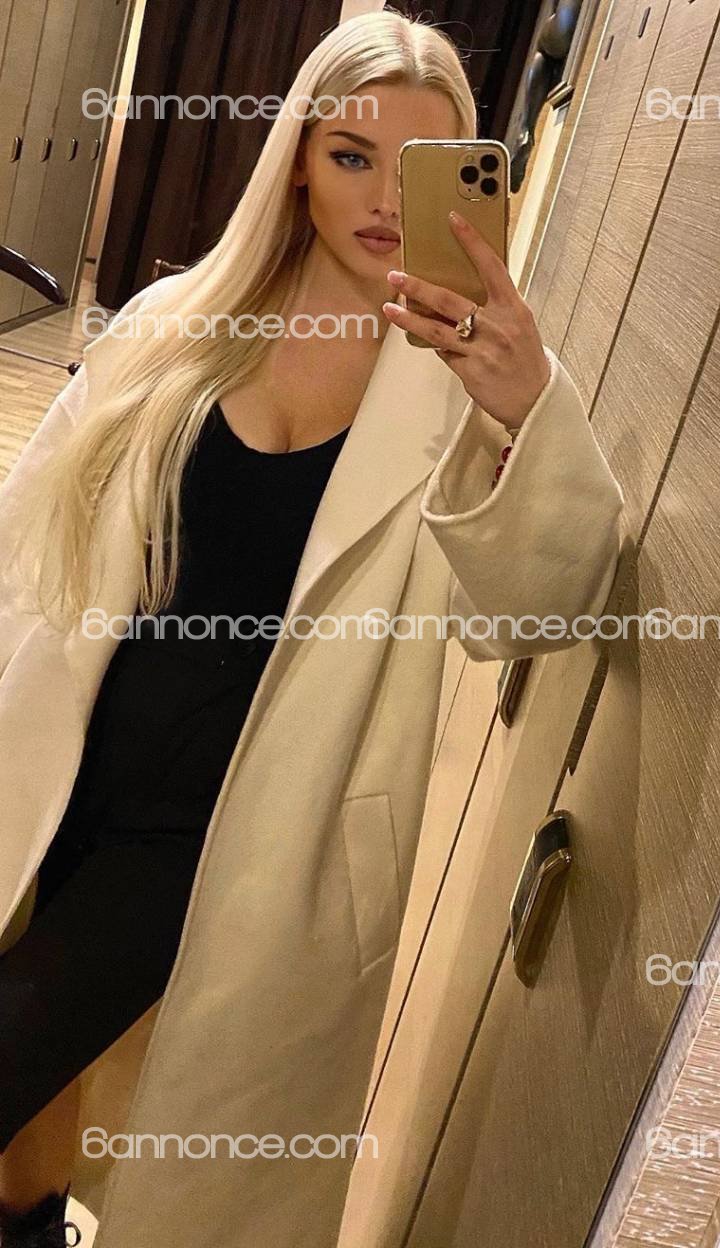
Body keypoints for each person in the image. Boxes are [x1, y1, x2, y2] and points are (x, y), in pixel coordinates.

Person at [0, 9, 624, 1246]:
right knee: (45, 1083)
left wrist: (524, 410)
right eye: (350, 156)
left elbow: (536, 611)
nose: (384, 199)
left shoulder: (456, 390)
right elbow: (27, 544)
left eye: (418, 167)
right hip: (58, 777)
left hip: (231, 835)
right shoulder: (169, 327)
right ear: (296, 159)